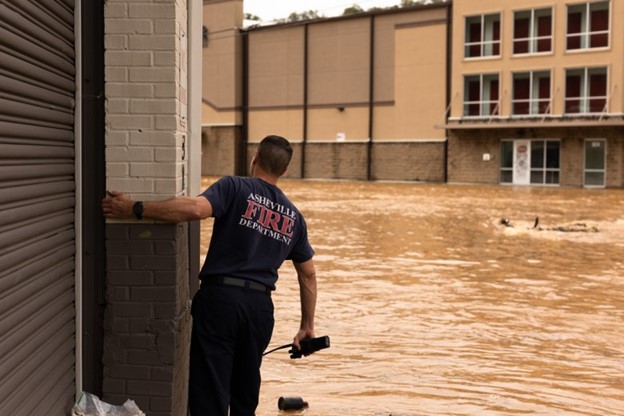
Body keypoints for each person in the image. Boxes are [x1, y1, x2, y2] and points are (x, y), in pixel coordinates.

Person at [102, 135, 317, 416]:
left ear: (255, 158)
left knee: (210, 393)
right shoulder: (294, 217)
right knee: (245, 392)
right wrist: (306, 325)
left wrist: (135, 208)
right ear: (284, 171)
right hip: (260, 309)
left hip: (221, 301)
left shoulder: (235, 187)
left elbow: (194, 209)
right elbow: (308, 275)